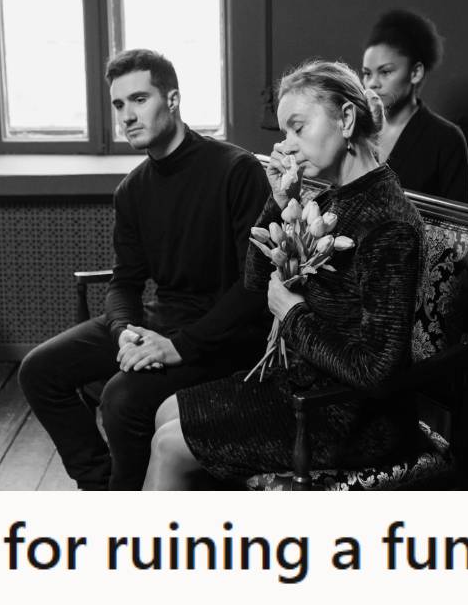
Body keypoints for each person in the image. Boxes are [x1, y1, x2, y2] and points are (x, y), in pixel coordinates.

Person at [143, 60, 435, 489]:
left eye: (299, 128)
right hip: (299, 385)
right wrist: (280, 200)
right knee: (166, 412)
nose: (287, 146)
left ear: (347, 119)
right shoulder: (335, 196)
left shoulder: (388, 222)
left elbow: (377, 371)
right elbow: (255, 282)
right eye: (284, 133)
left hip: (349, 416)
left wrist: (293, 313)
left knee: (170, 445)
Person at [17, 49, 268, 491]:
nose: (127, 116)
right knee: (39, 371)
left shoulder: (236, 169)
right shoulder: (132, 189)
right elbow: (125, 281)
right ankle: (104, 490)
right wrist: (123, 330)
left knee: (121, 398)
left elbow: (254, 288)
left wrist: (178, 347)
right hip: (161, 319)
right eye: (118, 105)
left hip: (223, 337)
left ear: (171, 99)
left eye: (139, 99)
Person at [362, 9, 468, 202]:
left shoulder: (445, 139)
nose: (372, 83)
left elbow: (457, 224)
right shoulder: (356, 129)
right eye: (367, 73)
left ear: (416, 72)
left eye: (385, 72)